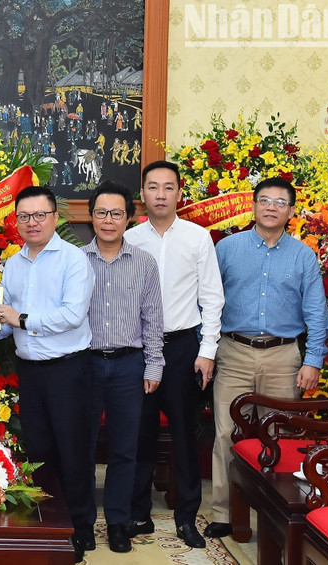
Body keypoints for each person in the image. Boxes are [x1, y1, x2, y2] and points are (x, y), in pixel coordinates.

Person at [0, 186, 96, 562]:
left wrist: (20, 318)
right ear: (16, 220)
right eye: (24, 216)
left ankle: (81, 529)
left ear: (55, 217)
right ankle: (47, 525)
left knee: (73, 452)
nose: (32, 223)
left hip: (69, 370)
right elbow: (7, 322)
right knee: (38, 451)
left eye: (40, 215)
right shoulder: (14, 264)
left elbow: (72, 315)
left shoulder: (73, 259)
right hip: (31, 372)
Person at [205, 177, 328, 538]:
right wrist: (207, 350)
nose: (271, 207)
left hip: (283, 356)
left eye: (280, 202)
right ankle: (224, 512)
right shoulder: (227, 249)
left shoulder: (303, 256)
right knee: (227, 433)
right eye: (264, 200)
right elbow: (209, 303)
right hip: (234, 351)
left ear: (291, 211)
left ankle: (274, 514)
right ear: (254, 205)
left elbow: (317, 314)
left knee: (279, 436)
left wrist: (313, 361)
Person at [123, 161, 224, 548]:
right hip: (139, 346)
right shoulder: (131, 238)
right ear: (143, 195)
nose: (161, 194)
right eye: (153, 187)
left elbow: (212, 298)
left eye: (168, 187)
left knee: (183, 433)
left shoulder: (198, 238)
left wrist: (207, 351)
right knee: (140, 432)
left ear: (180, 193)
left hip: (183, 347)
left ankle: (187, 518)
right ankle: (138, 515)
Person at [82, 180, 164, 553]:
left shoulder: (144, 263)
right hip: (84, 365)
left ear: (130, 218)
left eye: (117, 213)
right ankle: (81, 521)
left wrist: (153, 366)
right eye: (102, 212)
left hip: (130, 366)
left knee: (124, 450)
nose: (109, 220)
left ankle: (117, 521)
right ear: (91, 216)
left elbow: (152, 320)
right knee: (80, 446)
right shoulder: (75, 261)